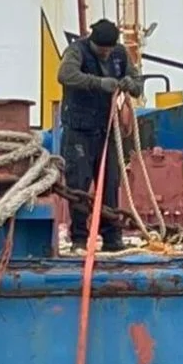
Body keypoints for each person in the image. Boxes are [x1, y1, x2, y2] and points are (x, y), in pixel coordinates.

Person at [56, 18, 143, 252]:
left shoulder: (120, 54)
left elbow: (138, 83)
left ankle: (112, 236)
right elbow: (66, 75)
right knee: (79, 184)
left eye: (109, 50)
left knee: (110, 184)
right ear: (93, 44)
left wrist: (129, 83)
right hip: (79, 130)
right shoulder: (77, 51)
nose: (105, 54)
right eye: (101, 50)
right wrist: (98, 83)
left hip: (106, 130)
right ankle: (80, 238)